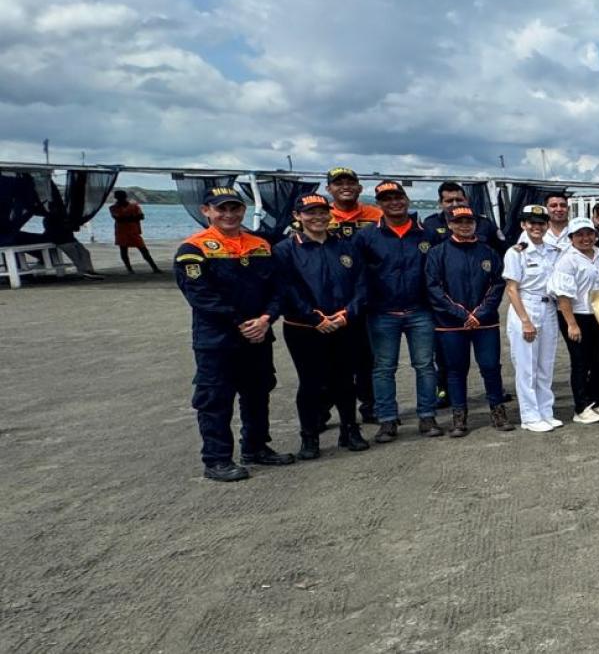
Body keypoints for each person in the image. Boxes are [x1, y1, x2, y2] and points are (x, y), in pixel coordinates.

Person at [174, 187, 291, 481]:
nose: (229, 214)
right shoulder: (193, 249)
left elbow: (278, 289)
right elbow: (201, 297)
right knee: (215, 398)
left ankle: (256, 447)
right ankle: (217, 459)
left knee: (258, 393)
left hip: (258, 336)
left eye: (235, 208)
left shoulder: (260, 245)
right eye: (221, 209)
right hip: (217, 341)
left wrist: (266, 319)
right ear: (206, 211)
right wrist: (244, 323)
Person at [273, 194, 369, 459]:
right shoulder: (285, 249)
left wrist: (348, 313)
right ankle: (309, 436)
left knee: (344, 380)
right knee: (311, 383)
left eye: (322, 212)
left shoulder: (346, 246)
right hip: (304, 328)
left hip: (343, 324)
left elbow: (362, 284)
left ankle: (350, 430)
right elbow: (286, 289)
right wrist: (314, 318)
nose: (318, 217)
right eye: (310, 212)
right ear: (297, 216)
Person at [353, 179, 441, 442]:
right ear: (378, 204)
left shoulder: (426, 233)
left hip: (420, 311)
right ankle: (387, 420)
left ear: (407, 200)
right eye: (387, 199)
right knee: (383, 368)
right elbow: (357, 274)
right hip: (382, 313)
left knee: (425, 366)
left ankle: (427, 416)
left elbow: (437, 271)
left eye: (398, 197)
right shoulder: (367, 236)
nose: (394, 202)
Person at [427, 205, 510, 436]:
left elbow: (497, 284)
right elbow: (434, 288)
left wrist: (480, 313)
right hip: (451, 323)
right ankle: (459, 417)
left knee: (491, 367)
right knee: (455, 370)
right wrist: (462, 314)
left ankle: (498, 411)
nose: (465, 225)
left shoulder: (488, 252)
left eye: (469, 221)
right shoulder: (437, 253)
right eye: (459, 221)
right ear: (450, 224)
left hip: (485, 322)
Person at [503, 205, 565, 432]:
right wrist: (525, 321)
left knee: (545, 364)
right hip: (526, 307)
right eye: (532, 223)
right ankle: (529, 416)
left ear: (547, 225)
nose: (537, 227)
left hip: (548, 307)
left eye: (541, 223)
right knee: (527, 366)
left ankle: (545, 411)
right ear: (523, 225)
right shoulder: (516, 252)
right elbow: (512, 289)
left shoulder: (553, 250)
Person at [552, 218, 599, 424]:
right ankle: (581, 407)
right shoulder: (567, 260)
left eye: (589, 234)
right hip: (576, 315)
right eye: (579, 235)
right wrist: (571, 324)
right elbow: (563, 296)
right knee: (580, 362)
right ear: (571, 238)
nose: (585, 238)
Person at [109, 190, 160, 274]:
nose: (120, 199)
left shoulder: (134, 206)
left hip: (132, 231)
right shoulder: (114, 208)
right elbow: (119, 219)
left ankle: (154, 268)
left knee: (142, 249)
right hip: (122, 231)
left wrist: (127, 218)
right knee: (125, 250)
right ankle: (130, 269)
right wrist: (132, 217)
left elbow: (141, 216)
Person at [323, 168, 383, 239]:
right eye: (338, 184)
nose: (346, 187)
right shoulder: (319, 216)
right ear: (328, 189)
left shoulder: (379, 215)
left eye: (351, 183)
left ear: (360, 188)